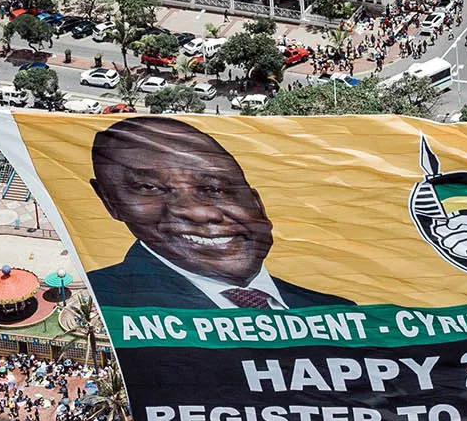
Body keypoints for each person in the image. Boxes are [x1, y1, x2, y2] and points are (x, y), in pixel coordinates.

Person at [84, 117, 353, 310]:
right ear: (110, 202)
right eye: (150, 188)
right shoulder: (108, 305)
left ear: (257, 205)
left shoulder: (337, 312)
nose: (198, 212)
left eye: (214, 189)